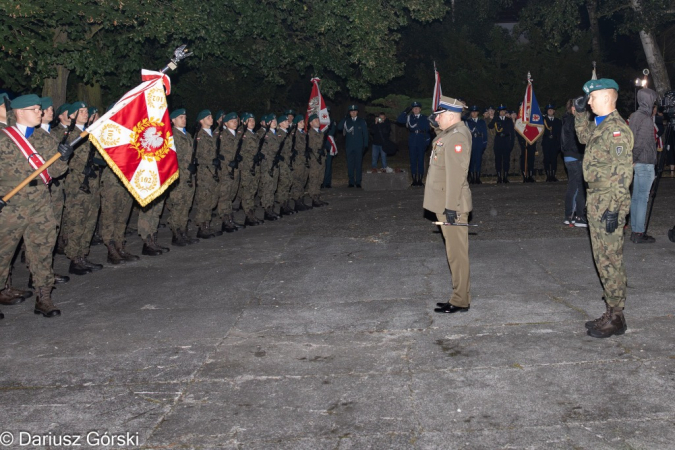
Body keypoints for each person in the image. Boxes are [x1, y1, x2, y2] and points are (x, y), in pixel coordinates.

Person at [0, 94, 73, 319]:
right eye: (36, 109)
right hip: (10, 205)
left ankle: (44, 297)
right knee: (2, 253)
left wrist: (63, 158)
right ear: (20, 112)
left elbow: (57, 172)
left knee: (42, 250)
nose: (41, 112)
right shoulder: (3, 138)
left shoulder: (44, 138)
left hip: (41, 203)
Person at [574, 78, 634, 338]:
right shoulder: (601, 126)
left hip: (609, 202)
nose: (588, 102)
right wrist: (578, 114)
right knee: (602, 258)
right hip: (596, 200)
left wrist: (616, 210)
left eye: (591, 98)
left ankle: (617, 316)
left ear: (607, 97)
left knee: (611, 259)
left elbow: (623, 175)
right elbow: (583, 136)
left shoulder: (617, 130)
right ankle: (610, 310)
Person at [423, 96, 472, 315]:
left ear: (451, 115)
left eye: (439, 115)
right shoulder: (450, 134)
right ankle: (458, 296)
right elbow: (440, 144)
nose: (437, 118)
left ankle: (460, 300)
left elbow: (456, 175)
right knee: (453, 253)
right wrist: (435, 126)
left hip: (451, 205)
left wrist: (451, 206)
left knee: (457, 255)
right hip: (445, 203)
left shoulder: (458, 136)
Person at [628, 88, 659, 243]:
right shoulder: (646, 119)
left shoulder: (634, 116)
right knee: (642, 198)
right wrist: (633, 158)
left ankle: (635, 229)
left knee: (636, 198)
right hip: (644, 163)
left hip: (638, 163)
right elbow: (639, 143)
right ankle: (639, 232)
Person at [166, 108, 200, 245]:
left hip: (189, 177)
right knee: (177, 205)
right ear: (173, 120)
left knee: (186, 205)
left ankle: (183, 231)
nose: (184, 120)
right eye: (180, 117)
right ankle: (176, 234)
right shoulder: (170, 136)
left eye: (185, 117)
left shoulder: (188, 135)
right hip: (178, 177)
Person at [192, 109, 219, 239]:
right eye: (208, 117)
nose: (211, 118)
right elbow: (196, 156)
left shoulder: (213, 135)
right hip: (204, 173)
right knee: (204, 200)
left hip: (213, 172)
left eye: (211, 116)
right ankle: (202, 227)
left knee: (211, 199)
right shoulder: (199, 135)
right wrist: (210, 160)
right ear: (201, 121)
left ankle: (207, 224)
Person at [561, 98, 586, 227]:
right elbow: (578, 139)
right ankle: (578, 216)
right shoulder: (573, 120)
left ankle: (570, 215)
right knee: (579, 187)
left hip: (569, 156)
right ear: (573, 108)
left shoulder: (566, 120)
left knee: (573, 186)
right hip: (575, 156)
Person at [397, 102, 430, 185]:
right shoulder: (409, 117)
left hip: (421, 140)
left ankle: (420, 180)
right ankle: (414, 180)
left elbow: (428, 131)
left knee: (421, 160)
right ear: (412, 110)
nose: (416, 109)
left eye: (417, 108)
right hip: (412, 141)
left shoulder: (425, 118)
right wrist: (405, 112)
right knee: (413, 160)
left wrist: (427, 142)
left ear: (420, 109)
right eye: (414, 108)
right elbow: (399, 120)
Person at [338, 104, 368, 188]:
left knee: (358, 164)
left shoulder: (361, 121)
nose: (353, 113)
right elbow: (339, 128)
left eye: (355, 111)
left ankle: (358, 181)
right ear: (349, 112)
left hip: (359, 146)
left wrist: (365, 145)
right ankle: (351, 181)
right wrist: (344, 118)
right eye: (351, 111)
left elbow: (365, 134)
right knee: (350, 164)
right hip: (349, 146)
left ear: (357, 112)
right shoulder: (347, 121)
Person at [488, 104, 514, 183]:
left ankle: (505, 176)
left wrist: (511, 143)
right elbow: (490, 126)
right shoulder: (496, 119)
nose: (502, 112)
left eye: (503, 111)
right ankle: (499, 177)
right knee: (498, 160)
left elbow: (512, 133)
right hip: (498, 141)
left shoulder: (508, 120)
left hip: (506, 141)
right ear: (499, 112)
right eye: (501, 111)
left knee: (506, 160)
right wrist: (494, 119)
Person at [307, 114, 328, 207]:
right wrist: (317, 154)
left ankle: (317, 197)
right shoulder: (310, 133)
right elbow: (311, 147)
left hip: (321, 159)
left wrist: (324, 153)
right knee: (314, 179)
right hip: (314, 160)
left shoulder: (320, 133)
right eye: (315, 120)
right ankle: (313, 198)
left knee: (320, 178)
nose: (317, 121)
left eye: (317, 119)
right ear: (311, 123)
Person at [465, 106, 487, 184]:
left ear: (478, 113)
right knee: (471, 160)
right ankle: (472, 178)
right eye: (472, 112)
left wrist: (484, 143)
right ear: (471, 113)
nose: (474, 113)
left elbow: (485, 133)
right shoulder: (468, 122)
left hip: (479, 141)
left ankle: (477, 177)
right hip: (471, 141)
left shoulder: (482, 122)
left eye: (475, 112)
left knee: (478, 160)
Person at [543, 104, 562, 181]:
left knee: (554, 159)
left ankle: (553, 175)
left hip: (555, 142)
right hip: (546, 142)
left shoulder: (558, 121)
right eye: (548, 110)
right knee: (547, 159)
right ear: (547, 111)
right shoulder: (543, 120)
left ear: (554, 111)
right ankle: (548, 175)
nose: (550, 111)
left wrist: (559, 143)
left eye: (551, 110)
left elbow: (560, 133)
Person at [321, 108, 337, 188]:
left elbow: (332, 133)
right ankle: (321, 182)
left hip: (328, 145)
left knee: (328, 164)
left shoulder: (332, 122)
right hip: (321, 145)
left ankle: (327, 182)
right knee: (321, 165)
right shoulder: (319, 121)